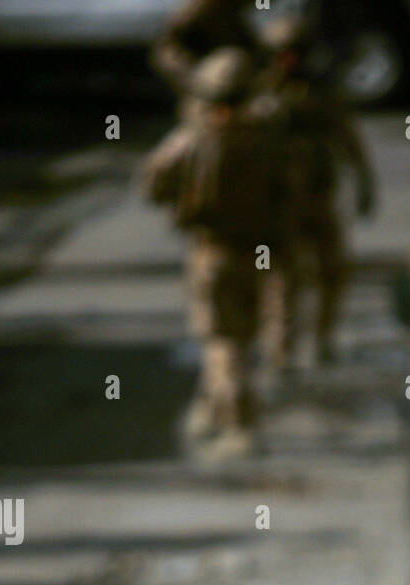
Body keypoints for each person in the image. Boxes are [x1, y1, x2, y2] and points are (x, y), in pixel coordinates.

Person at [142, 48, 291, 460]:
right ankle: (210, 409)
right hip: (257, 250)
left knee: (222, 343)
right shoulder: (268, 135)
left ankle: (240, 426)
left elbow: (153, 182)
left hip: (214, 251)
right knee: (241, 336)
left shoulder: (193, 140)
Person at [258, 16, 375, 366]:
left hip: (319, 197)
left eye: (296, 53)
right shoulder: (261, 95)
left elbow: (349, 141)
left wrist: (365, 183)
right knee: (283, 280)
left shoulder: (323, 94)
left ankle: (323, 339)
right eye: (283, 53)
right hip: (280, 203)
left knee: (331, 271)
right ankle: (281, 349)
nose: (290, 61)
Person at [152, 0, 263, 101]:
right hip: (204, 85)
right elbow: (166, 52)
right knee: (233, 61)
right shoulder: (194, 13)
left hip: (240, 91)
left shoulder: (234, 14)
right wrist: (194, 80)